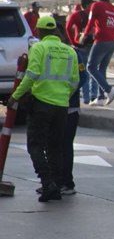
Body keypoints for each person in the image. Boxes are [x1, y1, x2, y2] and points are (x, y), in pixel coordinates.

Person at [9, 13, 80, 202]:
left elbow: (31, 75)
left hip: (41, 104)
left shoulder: (39, 48)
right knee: (55, 147)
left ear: (39, 31)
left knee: (35, 145)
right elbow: (75, 82)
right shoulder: (70, 51)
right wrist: (63, 96)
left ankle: (48, 184)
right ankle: (56, 184)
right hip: (61, 106)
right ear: (55, 30)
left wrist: (15, 96)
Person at [54, 15, 88, 196]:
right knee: (53, 145)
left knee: (65, 145)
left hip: (68, 107)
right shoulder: (44, 51)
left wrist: (66, 94)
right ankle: (53, 182)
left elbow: (82, 77)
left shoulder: (74, 53)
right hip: (53, 106)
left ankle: (66, 183)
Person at [84, 0, 114, 105]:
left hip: (102, 39)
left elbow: (90, 22)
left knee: (90, 67)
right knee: (102, 68)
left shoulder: (96, 5)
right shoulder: (113, 8)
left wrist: (84, 35)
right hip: (113, 41)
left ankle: (109, 90)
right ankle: (100, 97)